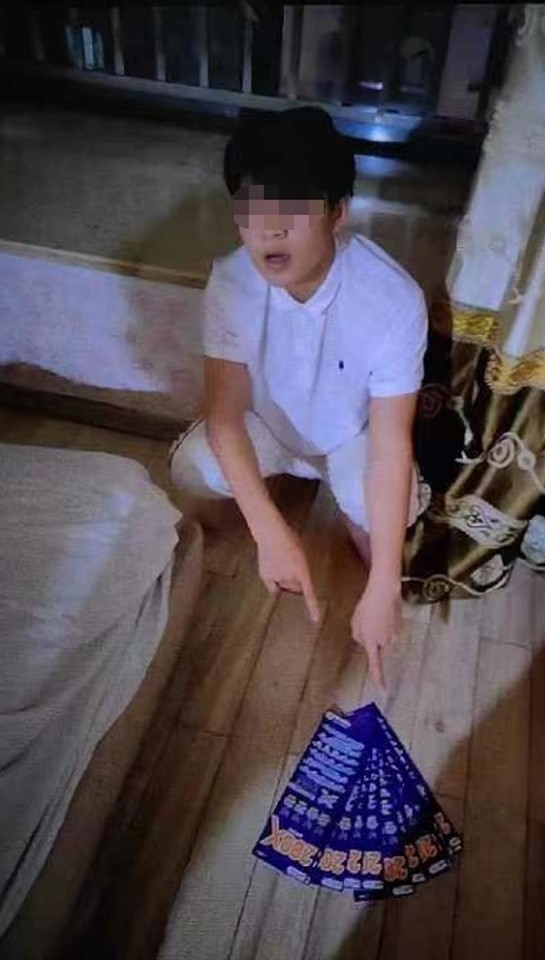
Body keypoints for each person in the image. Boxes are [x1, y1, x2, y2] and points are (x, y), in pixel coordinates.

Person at [169, 106, 428, 691]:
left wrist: (384, 586)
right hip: (270, 427)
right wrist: (270, 534)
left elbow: (391, 443)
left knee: (395, 507)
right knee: (193, 466)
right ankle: (276, 498)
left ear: (338, 212)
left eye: (293, 211)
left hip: (350, 439)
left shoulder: (393, 299)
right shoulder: (231, 280)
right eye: (253, 210)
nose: (270, 233)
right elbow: (225, 417)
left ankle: (356, 520)